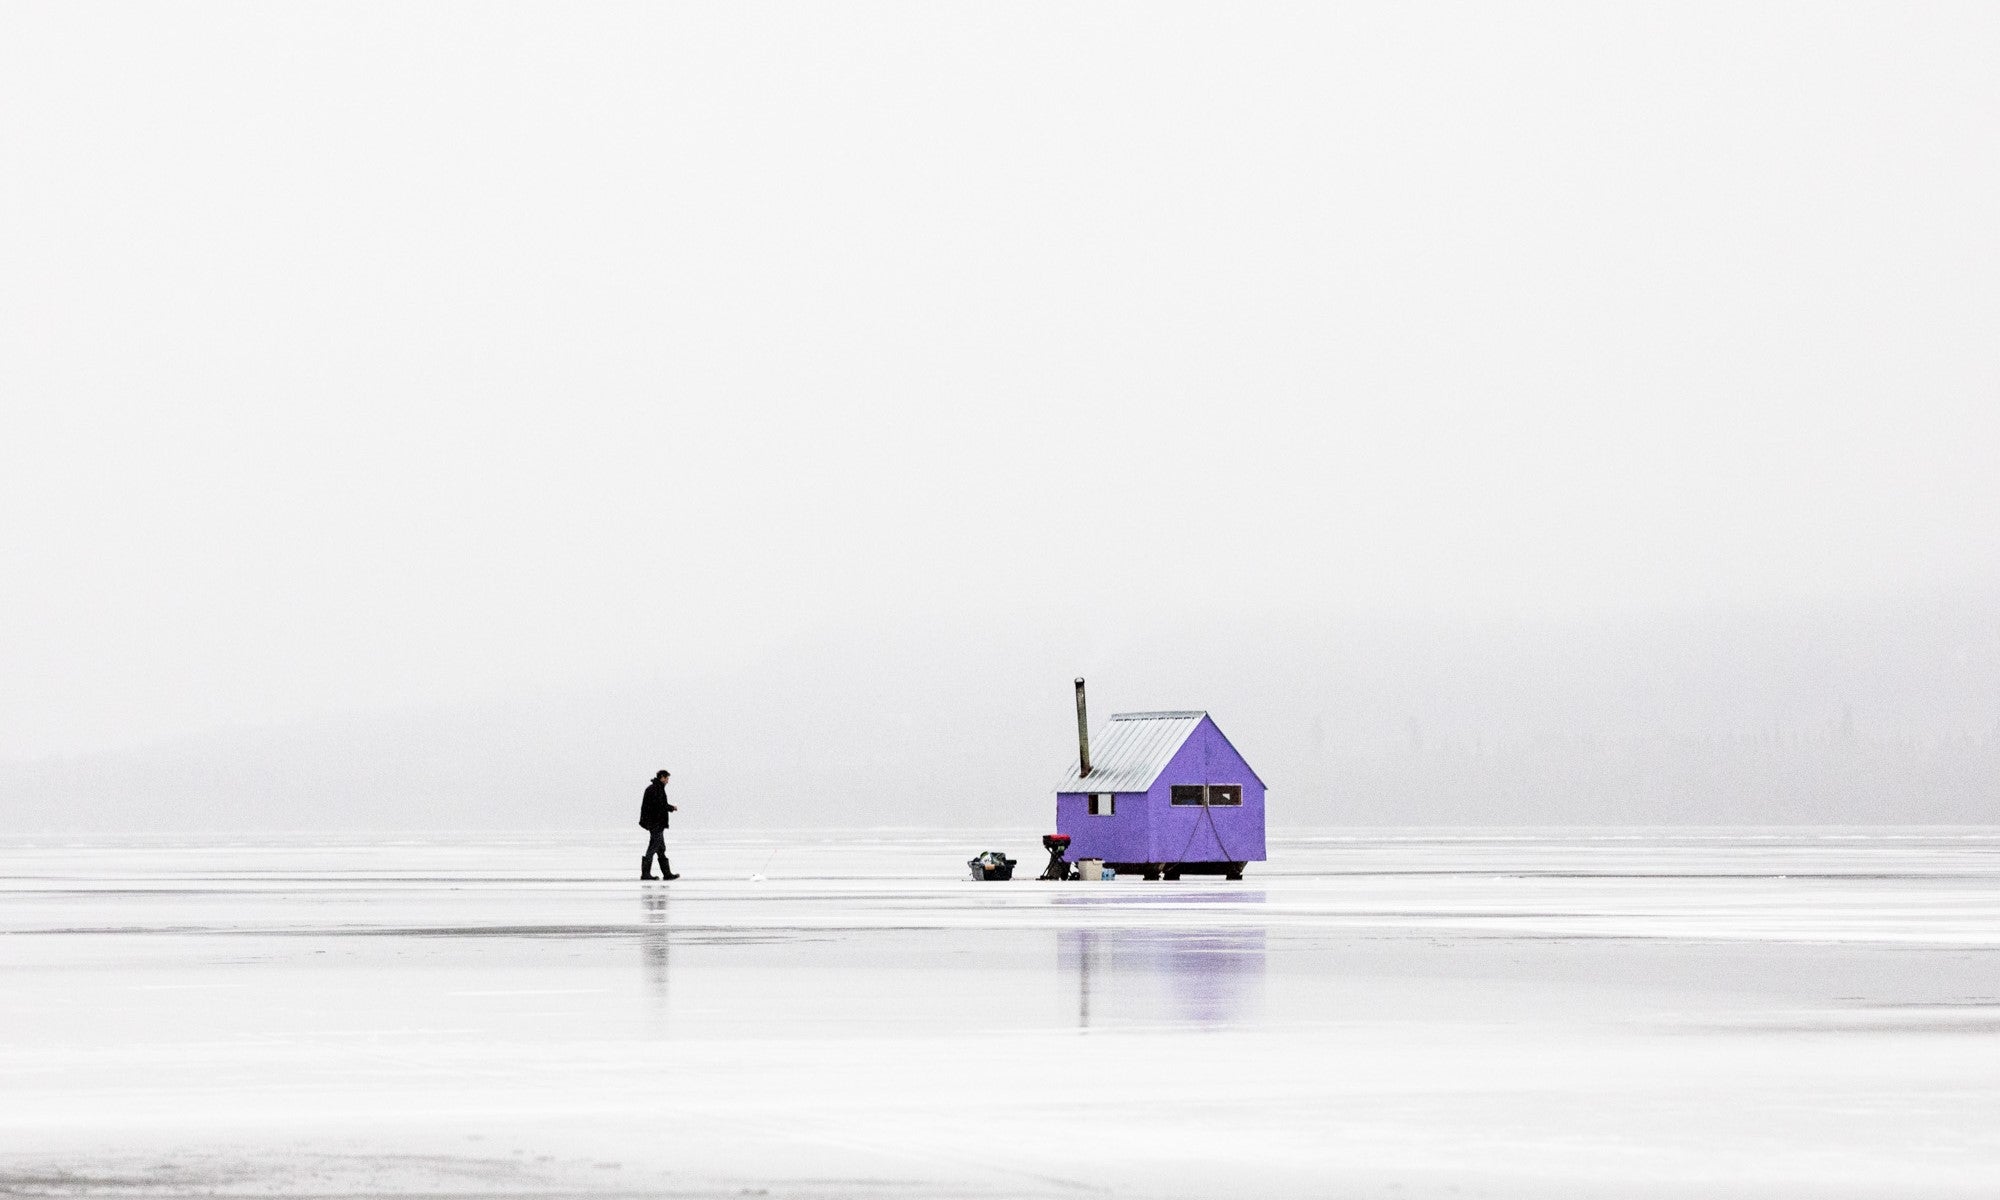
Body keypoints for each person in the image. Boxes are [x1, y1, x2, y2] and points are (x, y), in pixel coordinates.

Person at [638, 770, 679, 881]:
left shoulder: (656, 788)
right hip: (655, 823)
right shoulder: (655, 789)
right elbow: (659, 805)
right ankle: (645, 874)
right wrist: (671, 808)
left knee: (661, 848)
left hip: (655, 822)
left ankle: (667, 874)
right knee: (653, 846)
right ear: (662, 777)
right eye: (666, 778)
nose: (667, 781)